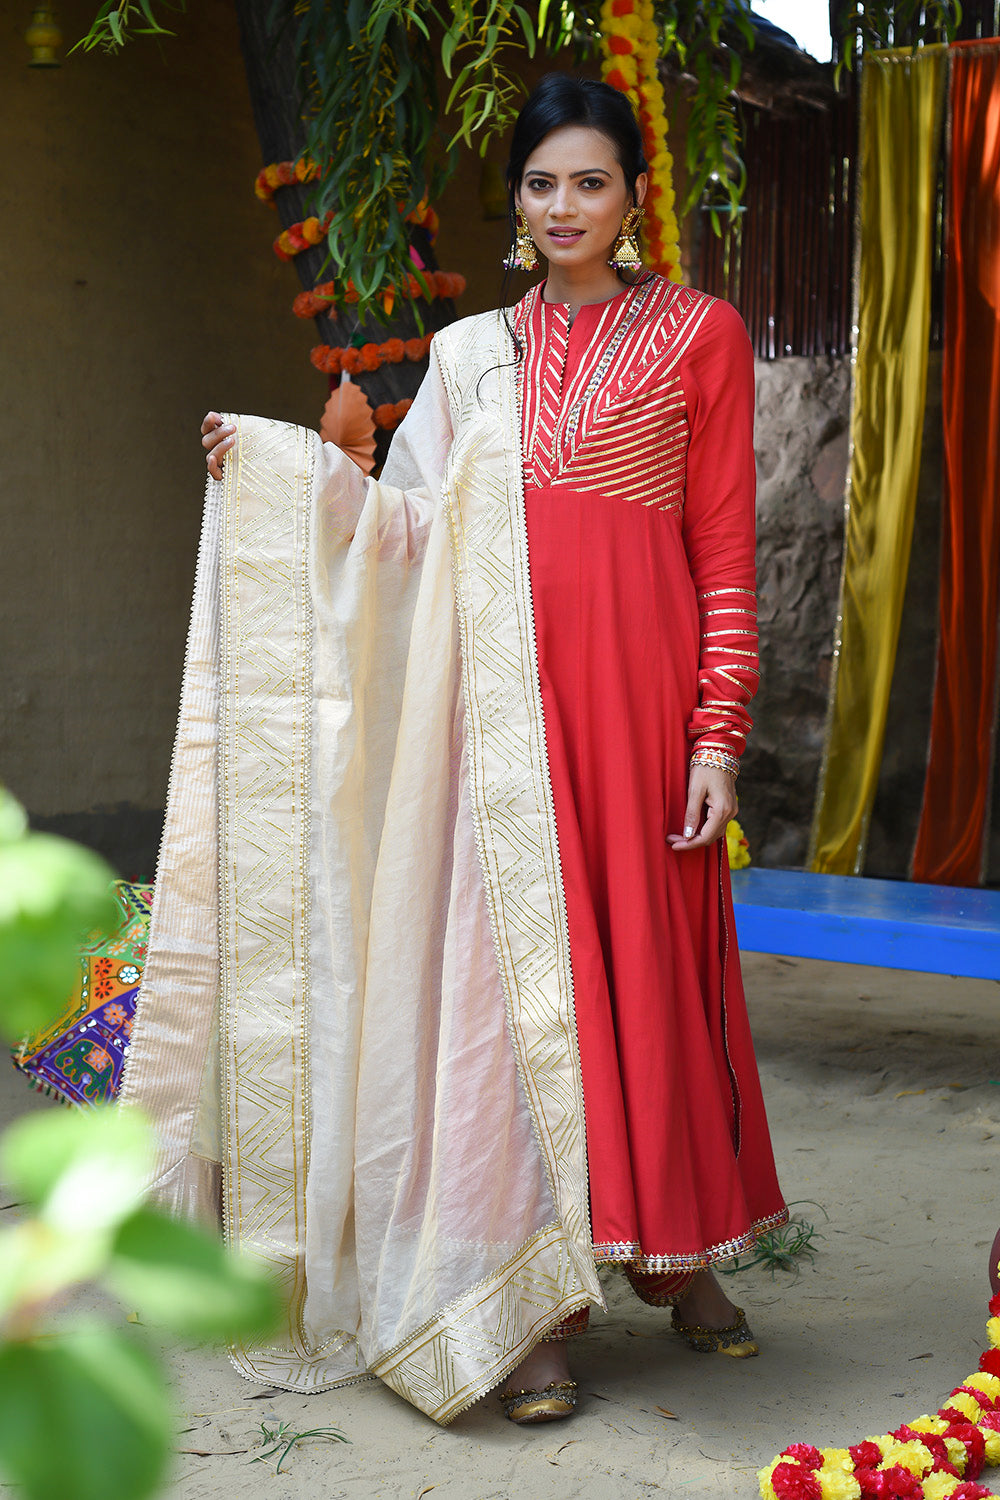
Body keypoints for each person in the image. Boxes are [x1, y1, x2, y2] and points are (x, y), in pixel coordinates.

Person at [125, 72, 786, 1430]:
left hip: (644, 699)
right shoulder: (473, 350)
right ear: (520, 201)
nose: (563, 207)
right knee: (506, 998)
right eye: (541, 184)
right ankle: (524, 1305)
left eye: (588, 182)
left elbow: (723, 548)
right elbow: (406, 535)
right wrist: (287, 477)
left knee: (652, 971)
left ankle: (680, 1262)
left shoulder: (701, 335)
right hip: (500, 713)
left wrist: (718, 730)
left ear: (632, 193)